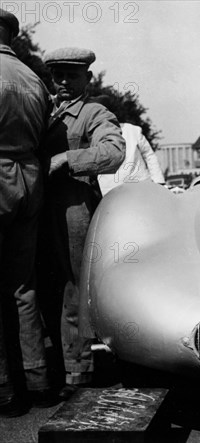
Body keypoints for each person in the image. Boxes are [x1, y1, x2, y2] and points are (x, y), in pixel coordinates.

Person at [37, 47, 125, 400]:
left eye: (72, 76)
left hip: (73, 206)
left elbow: (114, 152)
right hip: (35, 206)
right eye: (57, 75)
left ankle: (78, 373)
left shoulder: (94, 113)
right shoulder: (40, 108)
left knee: (74, 289)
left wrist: (67, 158)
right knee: (40, 289)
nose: (63, 83)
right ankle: (47, 368)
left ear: (88, 79)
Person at [0, 8, 57, 417]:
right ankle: (37, 380)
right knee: (23, 285)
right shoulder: (32, 78)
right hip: (30, 178)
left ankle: (4, 389)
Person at [92, 95, 165, 195]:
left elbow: (149, 155)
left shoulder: (132, 130)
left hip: (140, 187)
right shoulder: (92, 137)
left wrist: (158, 181)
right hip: (110, 191)